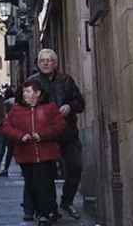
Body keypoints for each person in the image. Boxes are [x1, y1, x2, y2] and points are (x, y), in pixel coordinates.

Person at [28, 48, 86, 219]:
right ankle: (49, 209)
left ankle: (67, 201)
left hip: (67, 133)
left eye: (49, 60)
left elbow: (80, 103)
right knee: (45, 173)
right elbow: (23, 106)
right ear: (38, 64)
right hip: (45, 135)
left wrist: (70, 106)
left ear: (55, 63)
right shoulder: (32, 82)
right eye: (42, 60)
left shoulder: (66, 80)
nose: (46, 63)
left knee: (75, 166)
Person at [1, 79, 66, 225]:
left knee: (44, 183)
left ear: (38, 93)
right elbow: (6, 127)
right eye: (24, 91)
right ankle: (40, 210)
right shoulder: (16, 110)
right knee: (31, 183)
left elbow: (59, 126)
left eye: (29, 91)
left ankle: (46, 212)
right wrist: (20, 136)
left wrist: (42, 135)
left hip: (46, 153)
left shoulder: (49, 108)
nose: (25, 94)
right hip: (26, 155)